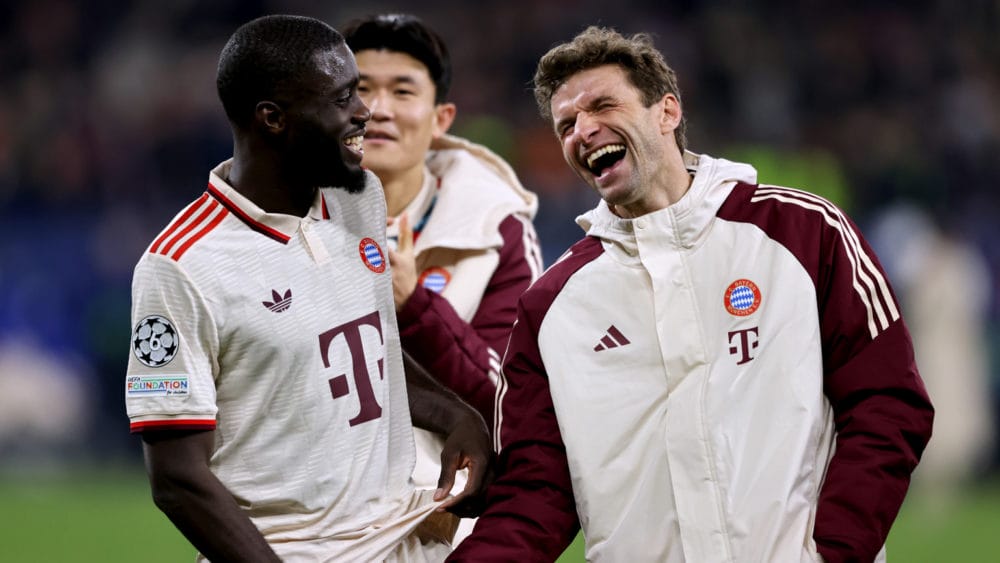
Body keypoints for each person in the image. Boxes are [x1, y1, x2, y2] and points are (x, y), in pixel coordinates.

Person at [449, 26, 934, 563]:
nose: (583, 130)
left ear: (667, 112)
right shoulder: (552, 307)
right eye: (566, 124)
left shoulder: (803, 233)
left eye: (602, 106)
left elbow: (888, 404)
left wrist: (835, 552)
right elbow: (533, 493)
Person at [124, 15, 491, 562]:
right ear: (273, 118)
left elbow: (363, 351)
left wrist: (456, 415)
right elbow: (178, 479)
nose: (365, 112)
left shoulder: (358, 195)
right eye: (344, 97)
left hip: (398, 541)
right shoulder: (181, 265)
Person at [342, 13, 543, 544]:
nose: (378, 110)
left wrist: (414, 306)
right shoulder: (280, 217)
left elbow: (509, 402)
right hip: (295, 522)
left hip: (429, 526)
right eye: (360, 90)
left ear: (441, 118)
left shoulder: (493, 228)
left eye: (402, 91)